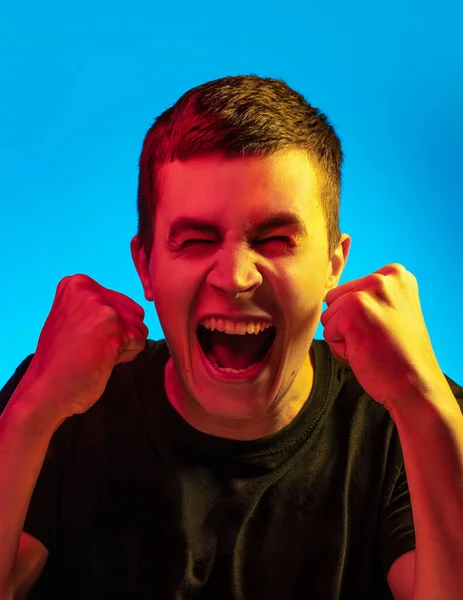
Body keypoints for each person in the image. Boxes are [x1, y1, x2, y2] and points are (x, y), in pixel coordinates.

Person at [1, 75, 462, 600]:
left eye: (275, 239)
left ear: (335, 263)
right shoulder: (65, 404)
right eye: (196, 240)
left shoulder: (405, 422)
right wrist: (30, 410)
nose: (235, 276)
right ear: (146, 267)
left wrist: (427, 407)